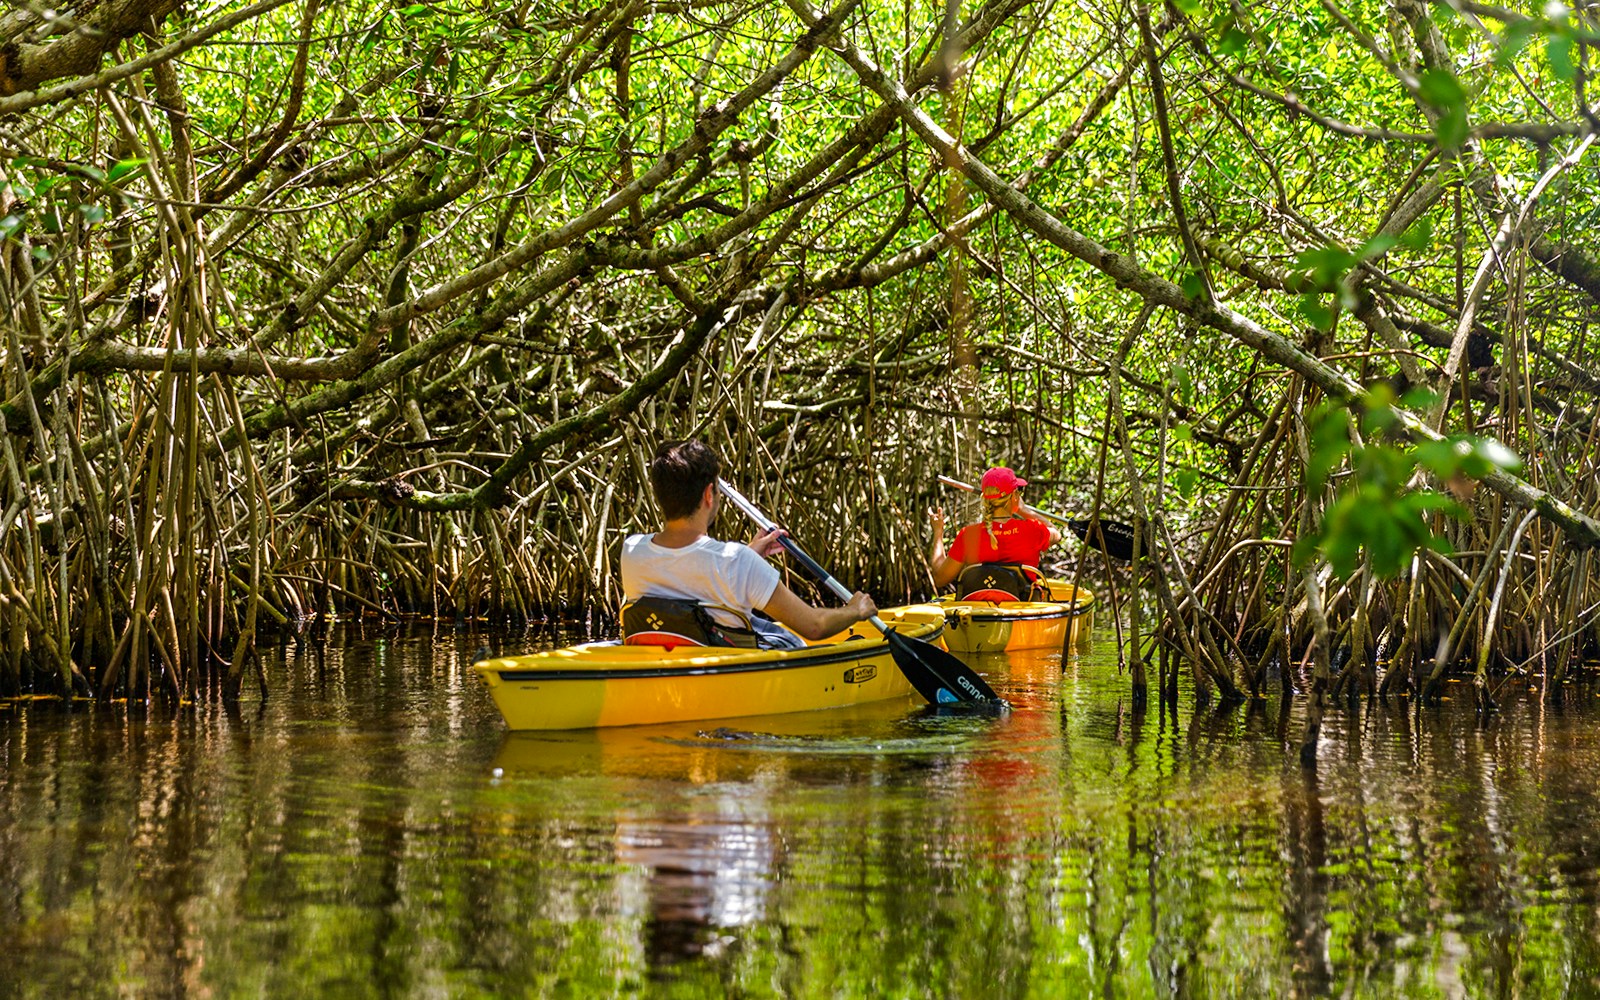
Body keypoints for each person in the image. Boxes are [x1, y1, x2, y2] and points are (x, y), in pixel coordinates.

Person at [621, 439, 878, 649]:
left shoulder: (632, 551)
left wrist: (751, 555)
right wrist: (855, 610)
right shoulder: (737, 562)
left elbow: (687, 571)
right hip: (724, 672)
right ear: (709, 494)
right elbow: (814, 626)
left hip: (666, 665)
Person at [927, 466, 1062, 592]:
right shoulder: (1032, 530)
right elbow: (1056, 533)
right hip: (1020, 612)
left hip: (981, 612)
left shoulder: (968, 535)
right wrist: (1023, 510)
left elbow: (939, 579)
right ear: (1014, 496)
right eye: (1018, 492)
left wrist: (938, 533)